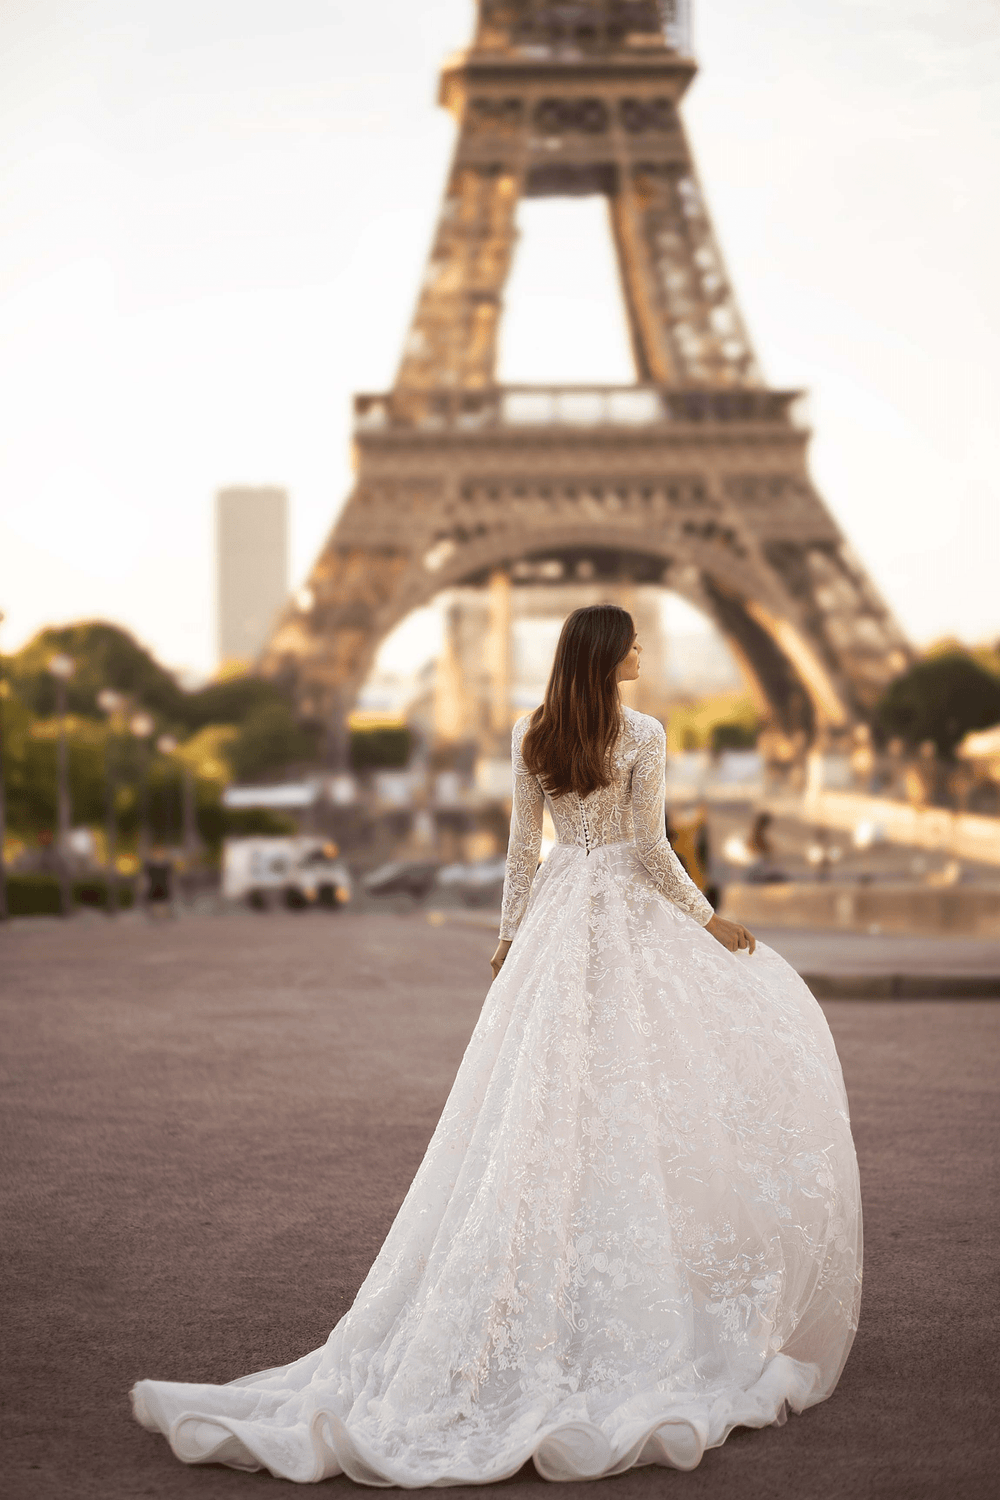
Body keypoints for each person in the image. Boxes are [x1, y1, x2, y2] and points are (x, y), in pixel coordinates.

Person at [131, 605, 861, 1485]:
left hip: (557, 926)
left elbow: (524, 852)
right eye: (631, 640)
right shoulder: (646, 734)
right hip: (619, 927)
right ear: (604, 652)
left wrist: (510, 939)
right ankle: (618, 1292)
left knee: (536, 1105)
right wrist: (711, 923)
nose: (642, 650)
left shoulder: (533, 733)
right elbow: (653, 854)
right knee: (626, 1098)